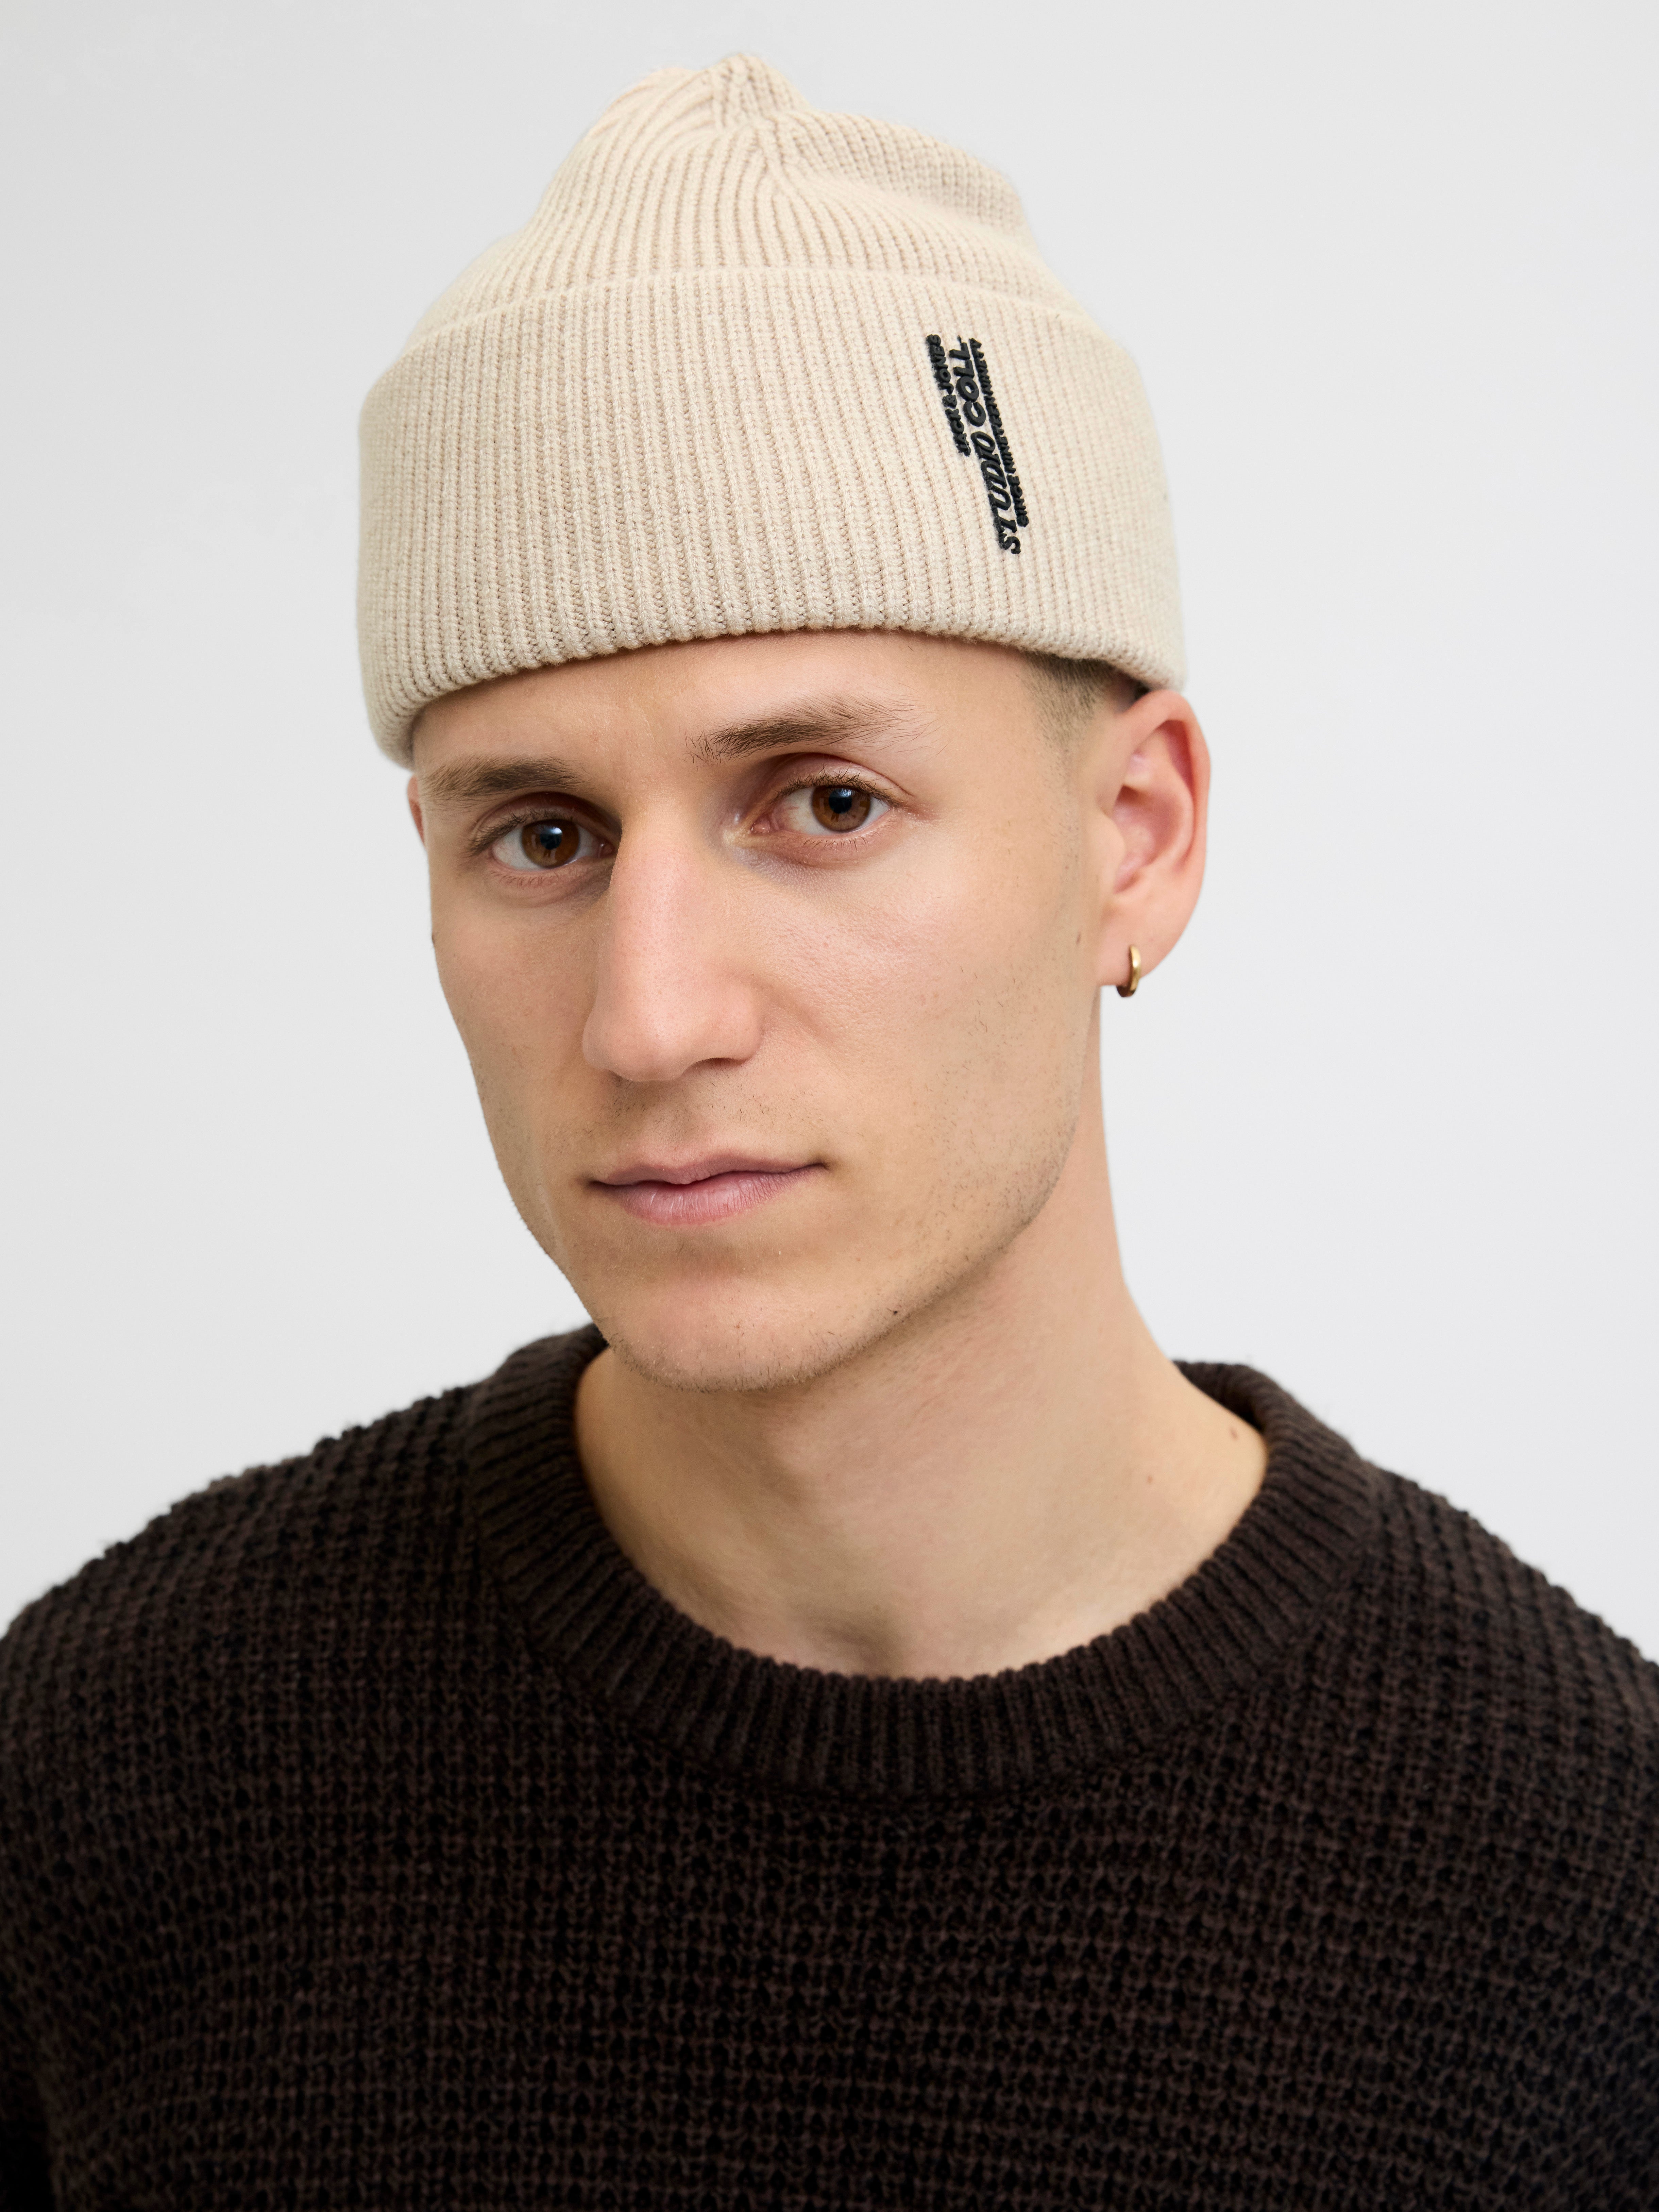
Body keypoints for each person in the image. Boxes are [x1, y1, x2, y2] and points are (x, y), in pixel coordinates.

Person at [1, 53, 1654, 2209]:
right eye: (540, 834)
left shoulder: (1586, 1894)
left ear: (1137, 836)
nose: (649, 1016)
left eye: (826, 802)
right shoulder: (114, 1770)